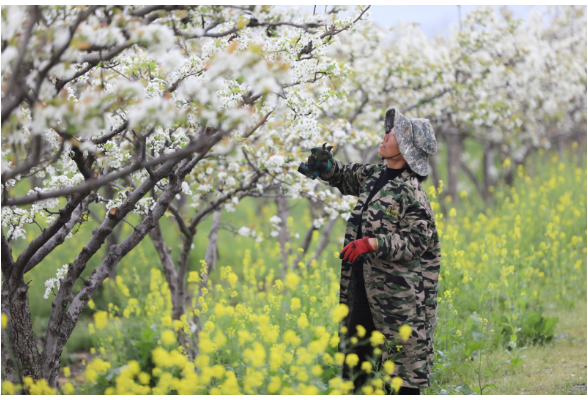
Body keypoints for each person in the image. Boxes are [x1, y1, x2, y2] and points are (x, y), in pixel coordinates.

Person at [305, 108, 441, 395]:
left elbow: (416, 241)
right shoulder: (375, 174)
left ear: (404, 147)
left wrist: (373, 243)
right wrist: (326, 166)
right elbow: (344, 176)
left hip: (399, 297)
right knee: (357, 364)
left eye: (392, 134)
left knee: (403, 373)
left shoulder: (412, 192)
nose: (385, 135)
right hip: (364, 287)